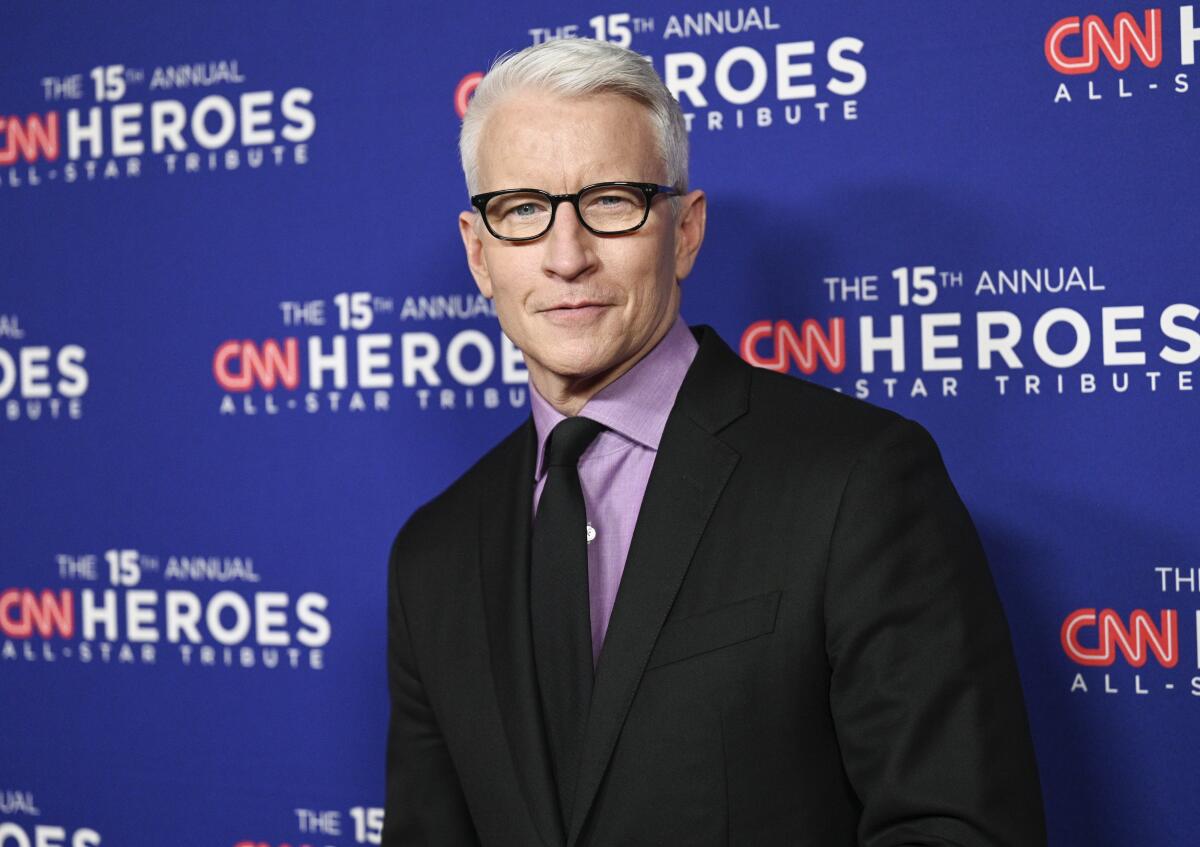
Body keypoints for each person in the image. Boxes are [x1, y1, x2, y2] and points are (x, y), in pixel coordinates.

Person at [383, 37, 1045, 847]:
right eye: (523, 210)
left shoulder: (857, 481)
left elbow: (956, 828)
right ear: (479, 253)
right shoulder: (433, 554)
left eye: (612, 200)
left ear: (686, 230)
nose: (566, 257)